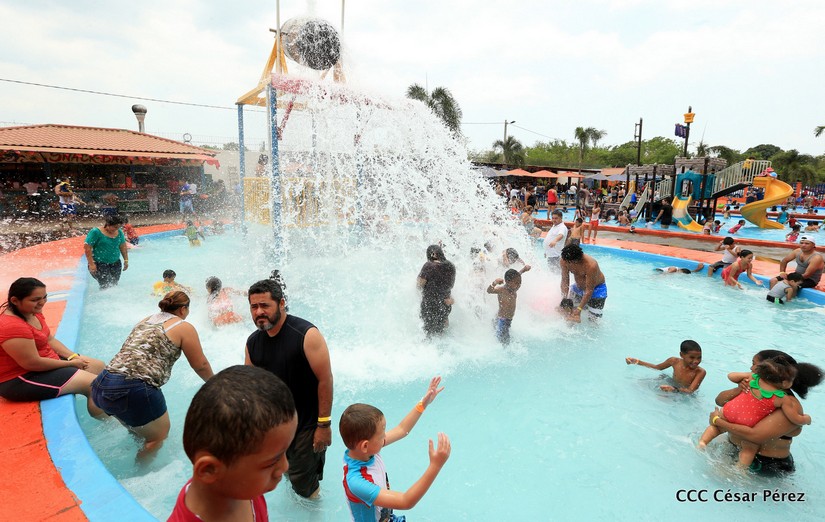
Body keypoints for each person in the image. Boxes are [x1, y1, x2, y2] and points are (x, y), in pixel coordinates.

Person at [91, 291, 214, 461]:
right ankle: (141, 473)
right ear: (183, 309)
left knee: (137, 430)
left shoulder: (146, 320)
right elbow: (200, 365)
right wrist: (215, 383)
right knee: (156, 438)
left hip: (102, 384)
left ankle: (137, 452)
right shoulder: (183, 327)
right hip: (133, 389)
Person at [168, 365, 297, 521]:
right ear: (209, 470)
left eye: (284, 452)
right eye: (271, 462)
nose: (285, 467)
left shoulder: (239, 487)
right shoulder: (242, 485)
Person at [245, 279, 333, 499]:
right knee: (284, 472)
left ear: (281, 303)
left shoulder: (306, 334)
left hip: (307, 425)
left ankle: (313, 510)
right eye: (254, 307)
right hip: (276, 426)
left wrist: (323, 425)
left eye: (265, 305)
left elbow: (325, 380)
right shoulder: (253, 343)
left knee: (305, 487)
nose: (259, 312)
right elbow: (251, 387)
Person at [340, 377, 449, 522]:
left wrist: (423, 404)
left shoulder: (366, 452)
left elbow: (402, 429)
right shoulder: (357, 481)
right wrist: (436, 465)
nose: (385, 437)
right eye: (381, 435)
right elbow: (405, 501)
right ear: (365, 445)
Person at [0, 278, 104, 416]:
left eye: (44, 297)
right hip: (20, 379)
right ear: (14, 300)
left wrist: (72, 356)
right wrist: (71, 363)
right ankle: (107, 424)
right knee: (96, 386)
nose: (42, 302)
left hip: (42, 364)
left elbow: (49, 339)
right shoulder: (12, 326)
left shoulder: (31, 312)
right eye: (35, 300)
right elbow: (32, 363)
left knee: (99, 367)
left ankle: (107, 411)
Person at [709, 350, 823, 475]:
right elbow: (720, 401)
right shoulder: (757, 386)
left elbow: (755, 436)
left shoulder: (789, 404)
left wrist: (717, 421)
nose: (751, 368)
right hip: (737, 449)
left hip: (764, 465)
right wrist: (739, 389)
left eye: (755, 364)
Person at [625, 340, 705, 393]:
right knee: (639, 384)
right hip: (671, 383)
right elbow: (657, 367)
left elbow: (690, 390)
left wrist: (674, 389)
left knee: (661, 398)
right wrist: (638, 362)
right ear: (681, 355)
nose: (696, 361)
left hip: (682, 392)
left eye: (699, 357)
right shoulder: (674, 361)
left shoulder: (700, 372)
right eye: (692, 357)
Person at [560, 244, 607, 322]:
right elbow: (565, 281)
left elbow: (589, 290)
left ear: (577, 260)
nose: (566, 264)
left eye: (569, 262)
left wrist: (579, 309)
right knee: (570, 313)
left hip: (597, 290)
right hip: (578, 288)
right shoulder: (564, 260)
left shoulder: (591, 265)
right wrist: (564, 299)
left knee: (593, 321)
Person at [417, 245, 457, 336]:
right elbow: (451, 286)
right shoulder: (451, 266)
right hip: (445, 303)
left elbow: (420, 285)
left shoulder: (429, 266)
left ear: (433, 254)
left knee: (428, 333)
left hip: (430, 303)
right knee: (441, 331)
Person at [84, 214, 129, 289]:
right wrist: (91, 264)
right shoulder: (96, 232)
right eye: (115, 227)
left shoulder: (119, 232)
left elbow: (123, 247)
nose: (116, 229)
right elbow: (87, 248)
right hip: (99, 264)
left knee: (114, 285)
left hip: (116, 263)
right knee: (105, 286)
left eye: (118, 227)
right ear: (108, 224)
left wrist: (126, 260)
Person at [487, 269, 522, 345]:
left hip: (507, 320)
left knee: (505, 340)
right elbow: (489, 291)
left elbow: (518, 275)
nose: (519, 285)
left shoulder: (513, 289)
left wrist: (524, 270)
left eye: (520, 283)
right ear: (508, 282)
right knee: (504, 343)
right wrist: (495, 282)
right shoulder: (502, 290)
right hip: (502, 320)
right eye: (516, 283)